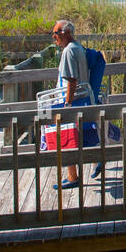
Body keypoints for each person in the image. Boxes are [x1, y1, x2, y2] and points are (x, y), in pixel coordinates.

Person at [51, 19, 90, 188]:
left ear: (66, 33)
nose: (54, 38)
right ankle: (75, 173)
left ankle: (72, 177)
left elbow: (71, 80)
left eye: (56, 34)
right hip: (81, 98)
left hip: (71, 101)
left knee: (65, 138)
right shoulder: (78, 47)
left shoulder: (68, 51)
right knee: (74, 137)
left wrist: (67, 104)